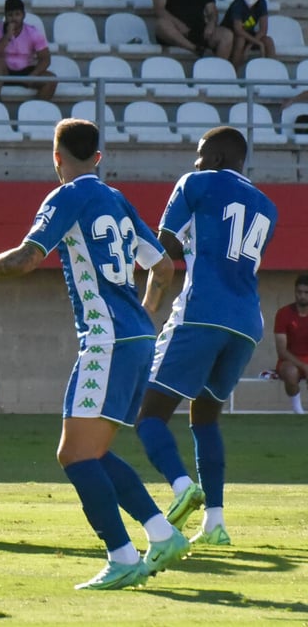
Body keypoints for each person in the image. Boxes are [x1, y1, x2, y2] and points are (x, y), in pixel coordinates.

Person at [0, 117, 187, 590]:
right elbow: (162, 267)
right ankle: (161, 534)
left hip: (107, 340)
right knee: (92, 451)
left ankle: (122, 556)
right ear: (98, 158)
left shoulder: (66, 196)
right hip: (136, 339)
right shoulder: (117, 199)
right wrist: (141, 316)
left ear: (56, 157)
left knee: (75, 455)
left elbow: (27, 257)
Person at [135, 126, 277, 547]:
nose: (195, 162)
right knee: (206, 418)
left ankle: (182, 488)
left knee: (148, 415)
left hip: (201, 313)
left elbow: (166, 250)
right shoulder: (268, 206)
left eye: (200, 155)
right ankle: (214, 522)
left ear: (215, 158)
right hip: (247, 321)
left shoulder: (195, 183)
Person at [0, 0, 56, 101]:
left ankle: (35, 109)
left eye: (17, 14)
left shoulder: (33, 32)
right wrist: (7, 37)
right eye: (10, 15)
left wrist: (33, 75)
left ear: (23, 15)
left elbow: (45, 58)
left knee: (51, 80)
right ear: (5, 16)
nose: (14, 18)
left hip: (25, 72)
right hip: (2, 71)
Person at [223, 0, 275, 71]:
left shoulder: (262, 3)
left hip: (248, 34)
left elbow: (263, 29)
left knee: (268, 41)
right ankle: (234, 73)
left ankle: (271, 72)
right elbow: (238, 30)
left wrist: (249, 46)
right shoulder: (237, 4)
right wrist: (258, 43)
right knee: (241, 40)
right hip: (232, 34)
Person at [273, 275, 308, 414]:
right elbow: (282, 351)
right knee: (291, 372)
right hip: (289, 360)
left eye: (306, 293)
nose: (302, 296)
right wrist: (304, 366)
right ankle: (298, 411)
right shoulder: (283, 314)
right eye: (299, 292)